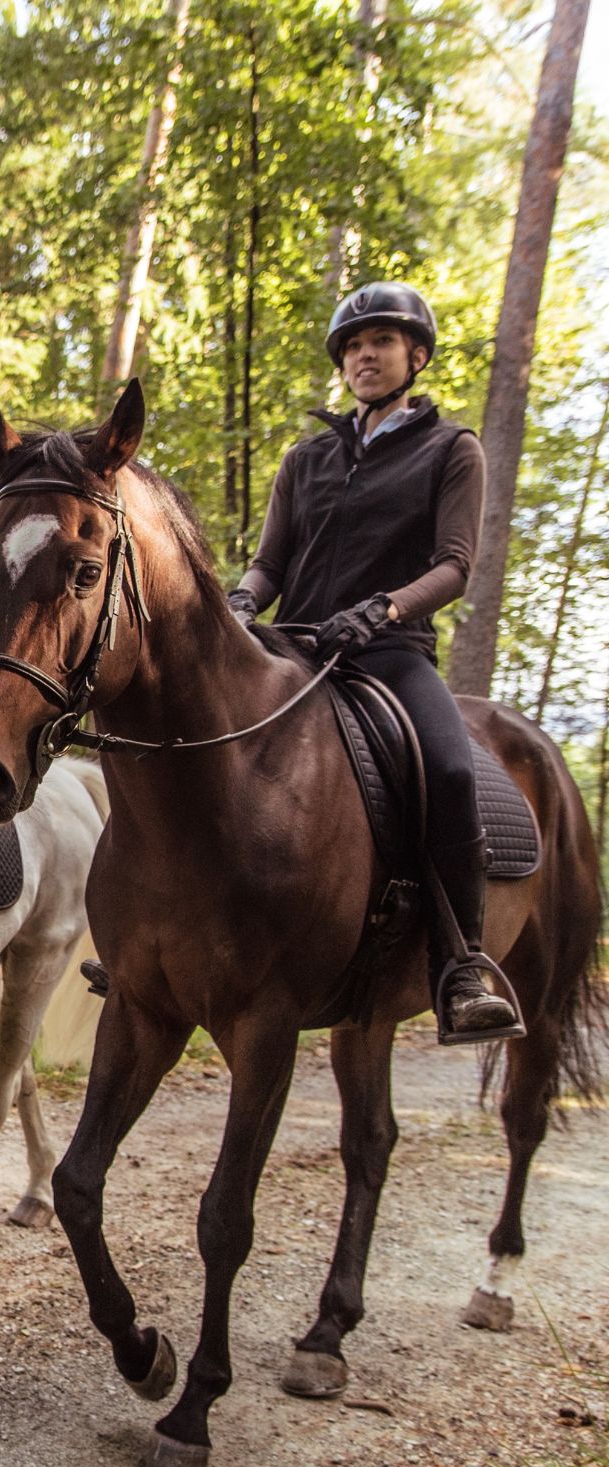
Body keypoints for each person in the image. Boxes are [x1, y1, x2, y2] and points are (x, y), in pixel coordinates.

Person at [228, 280, 521, 1044]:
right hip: (293, 646)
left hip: (388, 651)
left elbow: (455, 566)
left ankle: (460, 963)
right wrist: (237, 603)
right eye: (354, 346)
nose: (365, 356)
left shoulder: (452, 449)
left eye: (381, 343)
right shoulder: (307, 458)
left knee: (451, 769)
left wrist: (385, 609)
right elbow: (270, 564)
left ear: (415, 356)